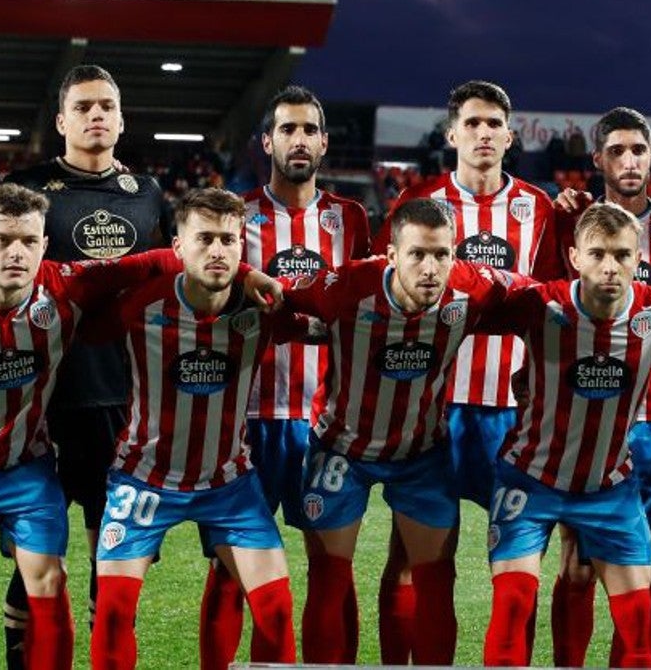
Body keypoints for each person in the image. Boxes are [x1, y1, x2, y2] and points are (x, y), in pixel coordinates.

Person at [0, 184, 245, 670]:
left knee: (48, 579)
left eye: (28, 241)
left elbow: (158, 262)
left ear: (45, 245)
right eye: (3, 240)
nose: (16, 252)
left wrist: (246, 276)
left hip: (24, 468)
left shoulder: (67, 285)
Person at [286, 197, 520, 665]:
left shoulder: (472, 289)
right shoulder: (346, 285)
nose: (431, 268)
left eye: (441, 254)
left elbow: (541, 298)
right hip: (342, 451)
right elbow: (273, 294)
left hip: (421, 454)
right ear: (391, 255)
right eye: (417, 254)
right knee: (329, 579)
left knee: (436, 580)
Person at [371, 80, 558, 664]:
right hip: (435, 409)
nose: (483, 133)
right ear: (452, 134)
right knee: (415, 558)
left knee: (515, 571)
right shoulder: (418, 205)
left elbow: (553, 302)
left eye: (493, 123)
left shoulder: (541, 208)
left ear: (511, 135)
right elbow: (383, 300)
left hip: (513, 414)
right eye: (471, 123)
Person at [477, 203, 651, 668]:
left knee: (639, 628)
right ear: (574, 257)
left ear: (638, 259)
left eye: (623, 255)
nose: (610, 267)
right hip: (532, 479)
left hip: (610, 486)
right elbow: (471, 295)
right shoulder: (539, 304)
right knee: (511, 607)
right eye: (598, 254)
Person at [0, 64, 169, 668]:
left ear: (121, 119)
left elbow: (176, 282)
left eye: (107, 106)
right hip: (36, 401)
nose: (97, 116)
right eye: (85, 106)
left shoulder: (148, 195)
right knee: (33, 566)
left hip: (120, 399)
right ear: (62, 120)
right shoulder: (25, 190)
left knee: (112, 557)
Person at [196, 85, 372, 669]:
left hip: (326, 424)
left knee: (331, 568)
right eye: (287, 129)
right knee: (228, 571)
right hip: (244, 421)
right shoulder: (234, 217)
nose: (299, 140)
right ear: (267, 141)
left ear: (323, 141)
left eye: (309, 130)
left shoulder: (350, 220)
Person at [89, 188, 296, 670]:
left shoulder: (265, 309)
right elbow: (75, 307)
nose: (218, 250)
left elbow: (334, 319)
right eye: (204, 238)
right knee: (114, 611)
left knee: (278, 611)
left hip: (229, 483)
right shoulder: (137, 306)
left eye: (229, 239)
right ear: (177, 247)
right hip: (144, 479)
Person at [546, 107, 651, 666]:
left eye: (637, 150)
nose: (628, 160)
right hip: (589, 418)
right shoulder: (567, 223)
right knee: (580, 562)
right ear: (598, 159)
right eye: (615, 150)